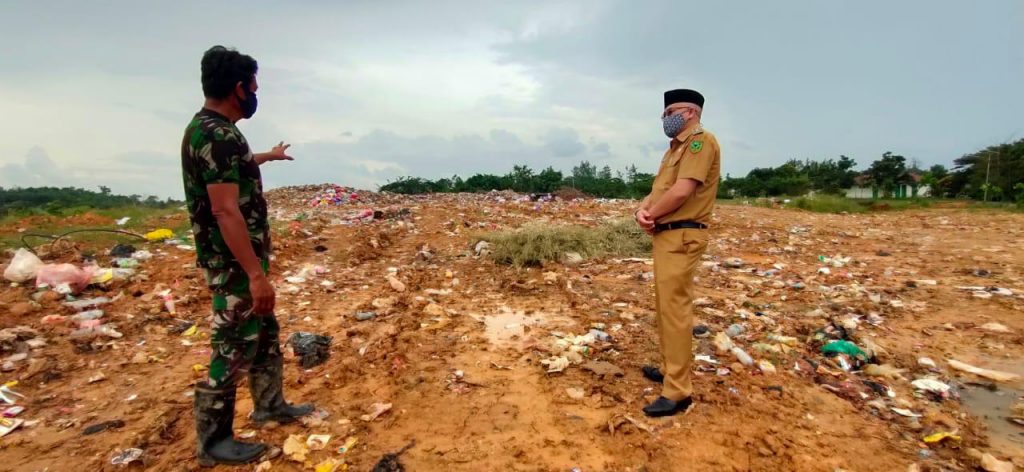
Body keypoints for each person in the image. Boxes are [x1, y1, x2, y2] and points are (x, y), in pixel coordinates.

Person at [181, 45, 314, 466]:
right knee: (232, 343)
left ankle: (271, 404)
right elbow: (223, 208)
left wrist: (266, 157)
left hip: (243, 260)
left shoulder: (215, 131)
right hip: (234, 264)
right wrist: (255, 275)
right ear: (239, 88)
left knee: (265, 333)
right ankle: (214, 440)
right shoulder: (216, 134)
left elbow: (231, 167)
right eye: (254, 86)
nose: (257, 93)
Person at [634, 89, 721, 417]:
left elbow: (683, 190)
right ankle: (672, 371)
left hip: (683, 236)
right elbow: (661, 189)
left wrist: (652, 214)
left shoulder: (701, 142)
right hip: (667, 236)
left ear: (689, 112)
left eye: (669, 111)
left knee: (675, 311)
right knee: (666, 309)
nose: (663, 118)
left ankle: (678, 391)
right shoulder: (675, 149)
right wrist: (642, 210)